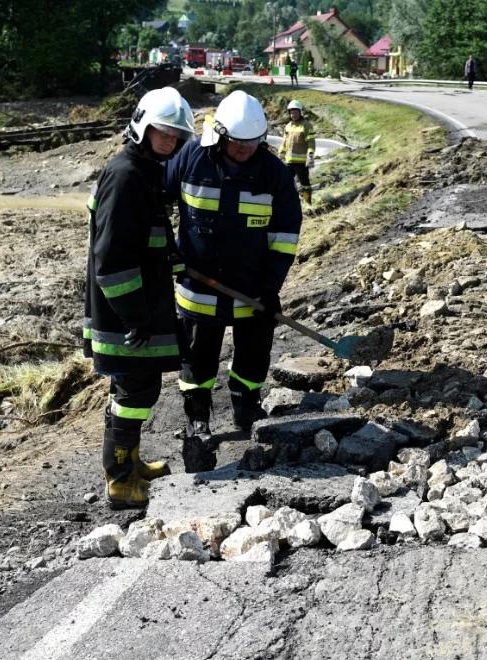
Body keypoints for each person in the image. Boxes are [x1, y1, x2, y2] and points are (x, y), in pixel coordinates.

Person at [164, 90, 302, 441]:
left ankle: (246, 408)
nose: (244, 150)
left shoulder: (275, 175)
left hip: (251, 290)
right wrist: (165, 249)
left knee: (254, 358)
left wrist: (270, 288)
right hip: (197, 290)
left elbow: (284, 238)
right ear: (221, 134)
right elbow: (155, 201)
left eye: (252, 143)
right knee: (197, 360)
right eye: (237, 143)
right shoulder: (190, 156)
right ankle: (197, 415)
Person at [84, 87, 194, 508]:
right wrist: (135, 316)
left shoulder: (143, 170)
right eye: (164, 133)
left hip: (136, 306)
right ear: (142, 127)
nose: (170, 142)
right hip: (125, 314)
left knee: (135, 389)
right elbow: (111, 260)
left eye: (175, 136)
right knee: (134, 393)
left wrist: (175, 261)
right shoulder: (126, 176)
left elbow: (146, 236)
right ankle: (119, 480)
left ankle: (130, 462)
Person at [281, 99, 316, 205]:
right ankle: (288, 202)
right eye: (291, 112)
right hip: (289, 161)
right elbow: (284, 141)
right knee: (285, 182)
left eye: (295, 112)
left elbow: (311, 142)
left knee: (305, 183)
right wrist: (280, 154)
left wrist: (310, 157)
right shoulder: (288, 126)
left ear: (300, 112)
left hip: (301, 162)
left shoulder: (306, 125)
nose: (293, 115)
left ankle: (308, 202)